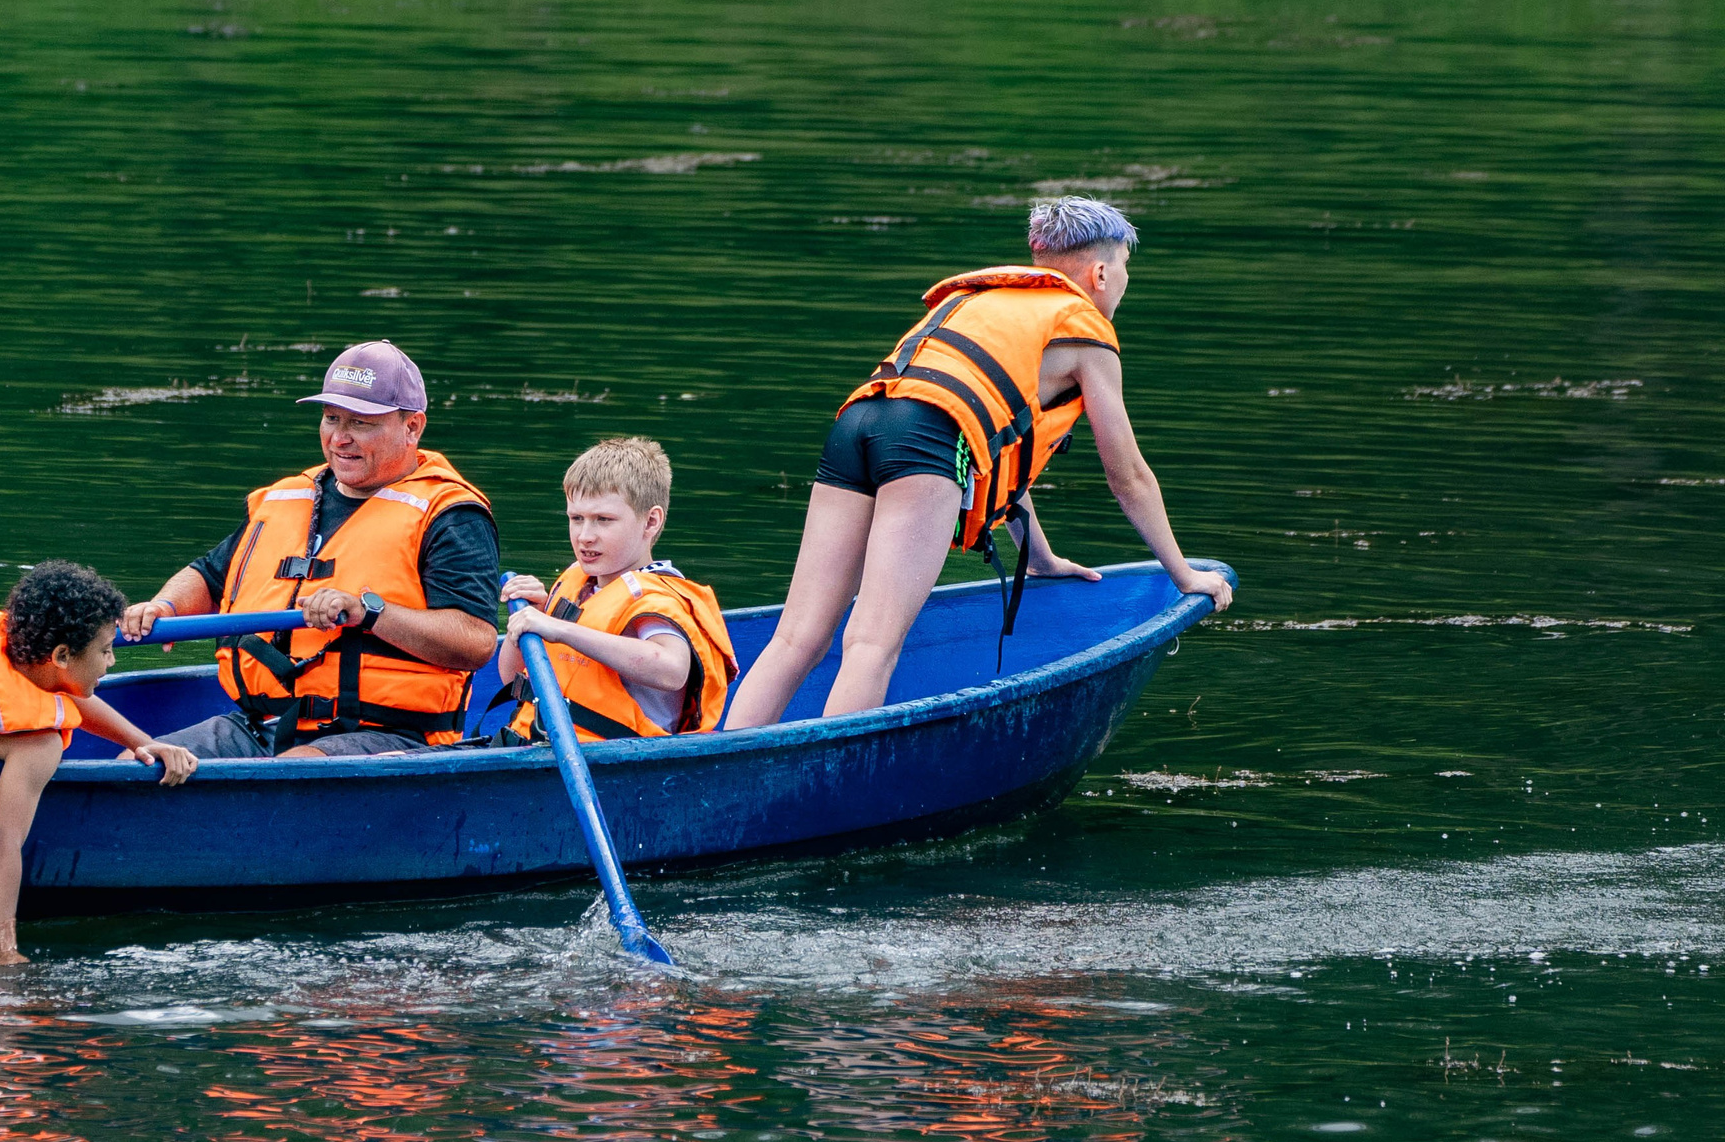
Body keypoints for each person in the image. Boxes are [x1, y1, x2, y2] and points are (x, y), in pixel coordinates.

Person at [726, 196, 1236, 729]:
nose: (1126, 282)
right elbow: (1127, 475)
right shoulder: (1086, 330)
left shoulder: (988, 300)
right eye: (1127, 268)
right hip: (925, 439)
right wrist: (1184, 574)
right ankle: (823, 797)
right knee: (871, 640)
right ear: (1102, 272)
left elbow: (1004, 456)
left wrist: (1038, 559)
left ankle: (724, 763)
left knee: (798, 634)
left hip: (858, 422)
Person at [120, 341, 501, 758]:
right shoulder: (284, 499)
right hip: (259, 725)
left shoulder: (452, 516)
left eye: (362, 423)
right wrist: (164, 607)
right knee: (137, 762)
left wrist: (369, 612)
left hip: (392, 735)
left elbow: (476, 641)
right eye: (331, 418)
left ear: (412, 427)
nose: (341, 438)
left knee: (292, 772)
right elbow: (211, 575)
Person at [0, 561, 199, 965]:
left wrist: (146, 744)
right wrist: (4, 953)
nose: (112, 662)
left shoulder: (17, 651)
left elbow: (69, 693)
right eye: (105, 650)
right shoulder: (37, 747)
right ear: (61, 655)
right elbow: (3, 844)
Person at [494, 436, 738, 742]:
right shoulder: (577, 585)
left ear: (650, 522)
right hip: (536, 746)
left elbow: (673, 669)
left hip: (616, 763)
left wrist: (559, 630)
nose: (584, 536)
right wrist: (529, 620)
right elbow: (511, 678)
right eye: (576, 518)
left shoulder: (655, 599)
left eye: (603, 520)